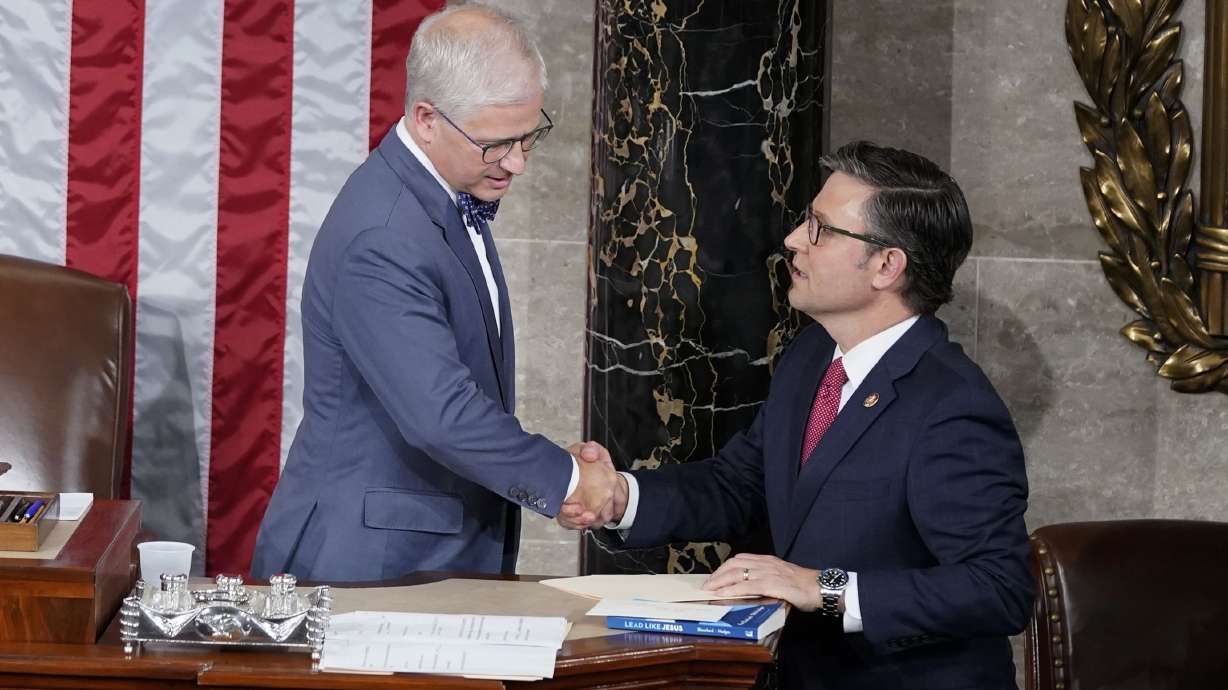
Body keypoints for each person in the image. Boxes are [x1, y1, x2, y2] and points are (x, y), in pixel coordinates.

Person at [561, 141, 1033, 689]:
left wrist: (822, 588)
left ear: (886, 265)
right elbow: (741, 484)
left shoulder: (952, 406)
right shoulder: (811, 356)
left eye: (820, 229)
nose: (792, 241)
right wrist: (621, 496)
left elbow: (999, 589)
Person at [252, 4, 616, 582]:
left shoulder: (446, 193)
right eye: (497, 143)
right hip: (370, 567)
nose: (518, 163)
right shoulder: (385, 235)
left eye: (529, 136)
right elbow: (441, 415)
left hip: (426, 554)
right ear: (426, 118)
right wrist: (570, 480)